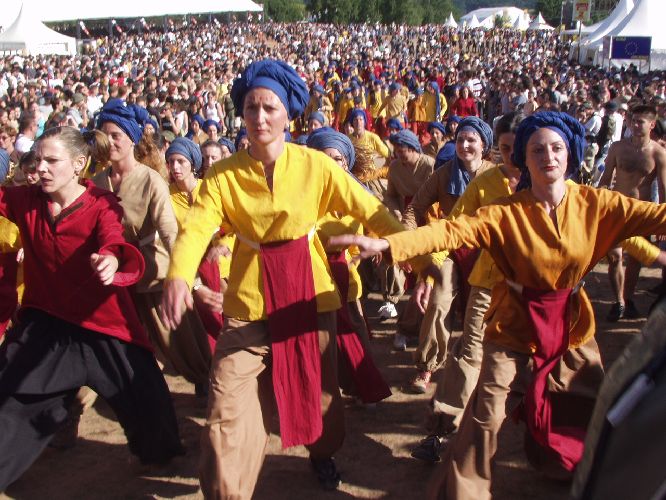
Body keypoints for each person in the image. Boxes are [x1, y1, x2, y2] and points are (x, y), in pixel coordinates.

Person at [330, 111, 666, 499]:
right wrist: (389, 244)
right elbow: (452, 229)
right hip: (513, 325)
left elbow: (653, 217)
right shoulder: (505, 211)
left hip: (572, 325)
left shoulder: (597, 203)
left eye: (556, 148)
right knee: (486, 416)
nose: (548, 156)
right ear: (524, 158)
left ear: (570, 154)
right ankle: (464, 491)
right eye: (537, 150)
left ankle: (566, 466)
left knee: (587, 403)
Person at [160, 59, 404, 498]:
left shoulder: (316, 166)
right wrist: (179, 275)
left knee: (320, 394)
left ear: (288, 115)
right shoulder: (221, 174)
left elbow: (370, 208)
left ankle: (322, 452)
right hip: (248, 302)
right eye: (251, 108)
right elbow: (196, 228)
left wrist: (409, 249)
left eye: (269, 107)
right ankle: (228, 492)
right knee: (225, 405)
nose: (259, 117)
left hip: (310, 297)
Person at [0, 126, 183, 491]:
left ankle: (159, 453)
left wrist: (111, 260)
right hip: (46, 322)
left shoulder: (101, 204)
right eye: (39, 160)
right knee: (11, 397)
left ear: (78, 164)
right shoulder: (26, 200)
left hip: (105, 325)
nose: (41, 168)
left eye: (52, 161)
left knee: (148, 403)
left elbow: (113, 238)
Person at [92, 99, 211, 388]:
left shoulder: (150, 180)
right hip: (116, 277)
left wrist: (188, 279)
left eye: (116, 135)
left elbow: (169, 232)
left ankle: (206, 384)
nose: (110, 142)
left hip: (154, 274)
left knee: (180, 341)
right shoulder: (97, 181)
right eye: (105, 135)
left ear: (132, 139)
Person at [401, 116, 495, 390]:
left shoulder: (495, 175)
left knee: (487, 313)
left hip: (487, 251)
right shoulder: (443, 175)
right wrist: (408, 238)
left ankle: (481, 369)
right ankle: (427, 366)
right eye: (460, 139)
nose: (464, 145)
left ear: (484, 145)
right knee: (438, 301)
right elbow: (415, 208)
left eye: (471, 140)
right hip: (451, 249)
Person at [306, 127, 391, 405]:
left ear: (346, 162)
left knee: (355, 331)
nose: (332, 164)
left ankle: (364, 388)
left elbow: (373, 223)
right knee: (322, 336)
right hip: (315, 272)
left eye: (338, 158)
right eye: (325, 158)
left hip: (345, 271)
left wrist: (365, 249)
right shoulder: (304, 197)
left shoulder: (358, 194)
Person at [599, 104, 666, 320]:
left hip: (641, 213)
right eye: (632, 121)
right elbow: (606, 178)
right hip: (617, 209)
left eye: (640, 122)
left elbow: (663, 190)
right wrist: (598, 201)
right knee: (615, 256)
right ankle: (618, 301)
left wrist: (662, 223)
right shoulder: (618, 148)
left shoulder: (658, 153)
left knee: (636, 260)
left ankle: (627, 299)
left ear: (652, 125)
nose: (635, 125)